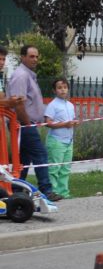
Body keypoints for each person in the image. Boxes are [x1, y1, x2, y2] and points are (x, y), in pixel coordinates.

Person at [7, 45, 58, 200]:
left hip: (27, 123)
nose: (35, 59)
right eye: (31, 56)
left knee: (23, 159)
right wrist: (27, 123)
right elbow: (18, 103)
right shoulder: (21, 76)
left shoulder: (29, 75)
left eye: (36, 56)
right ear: (23, 57)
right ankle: (46, 190)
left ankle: (16, 190)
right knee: (40, 153)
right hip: (22, 123)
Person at [43, 77, 78, 199]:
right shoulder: (52, 105)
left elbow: (71, 120)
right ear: (54, 90)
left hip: (68, 141)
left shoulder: (70, 105)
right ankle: (53, 192)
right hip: (56, 141)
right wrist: (65, 124)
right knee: (54, 168)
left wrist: (74, 122)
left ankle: (64, 192)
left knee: (65, 168)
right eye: (59, 88)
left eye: (65, 87)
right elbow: (48, 123)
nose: (63, 90)